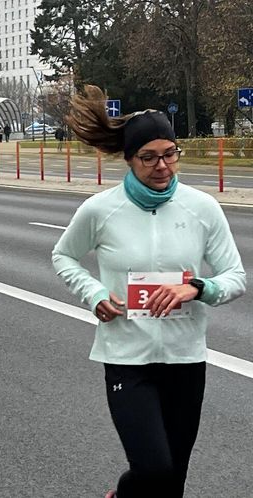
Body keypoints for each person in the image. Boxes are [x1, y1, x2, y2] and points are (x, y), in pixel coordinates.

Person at [51, 86, 246, 498]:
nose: (163, 166)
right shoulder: (101, 209)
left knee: (172, 479)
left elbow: (235, 277)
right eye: (149, 157)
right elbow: (64, 256)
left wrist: (197, 288)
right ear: (129, 159)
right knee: (153, 468)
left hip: (185, 358)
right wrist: (94, 293)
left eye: (170, 153)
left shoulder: (202, 208)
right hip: (126, 358)